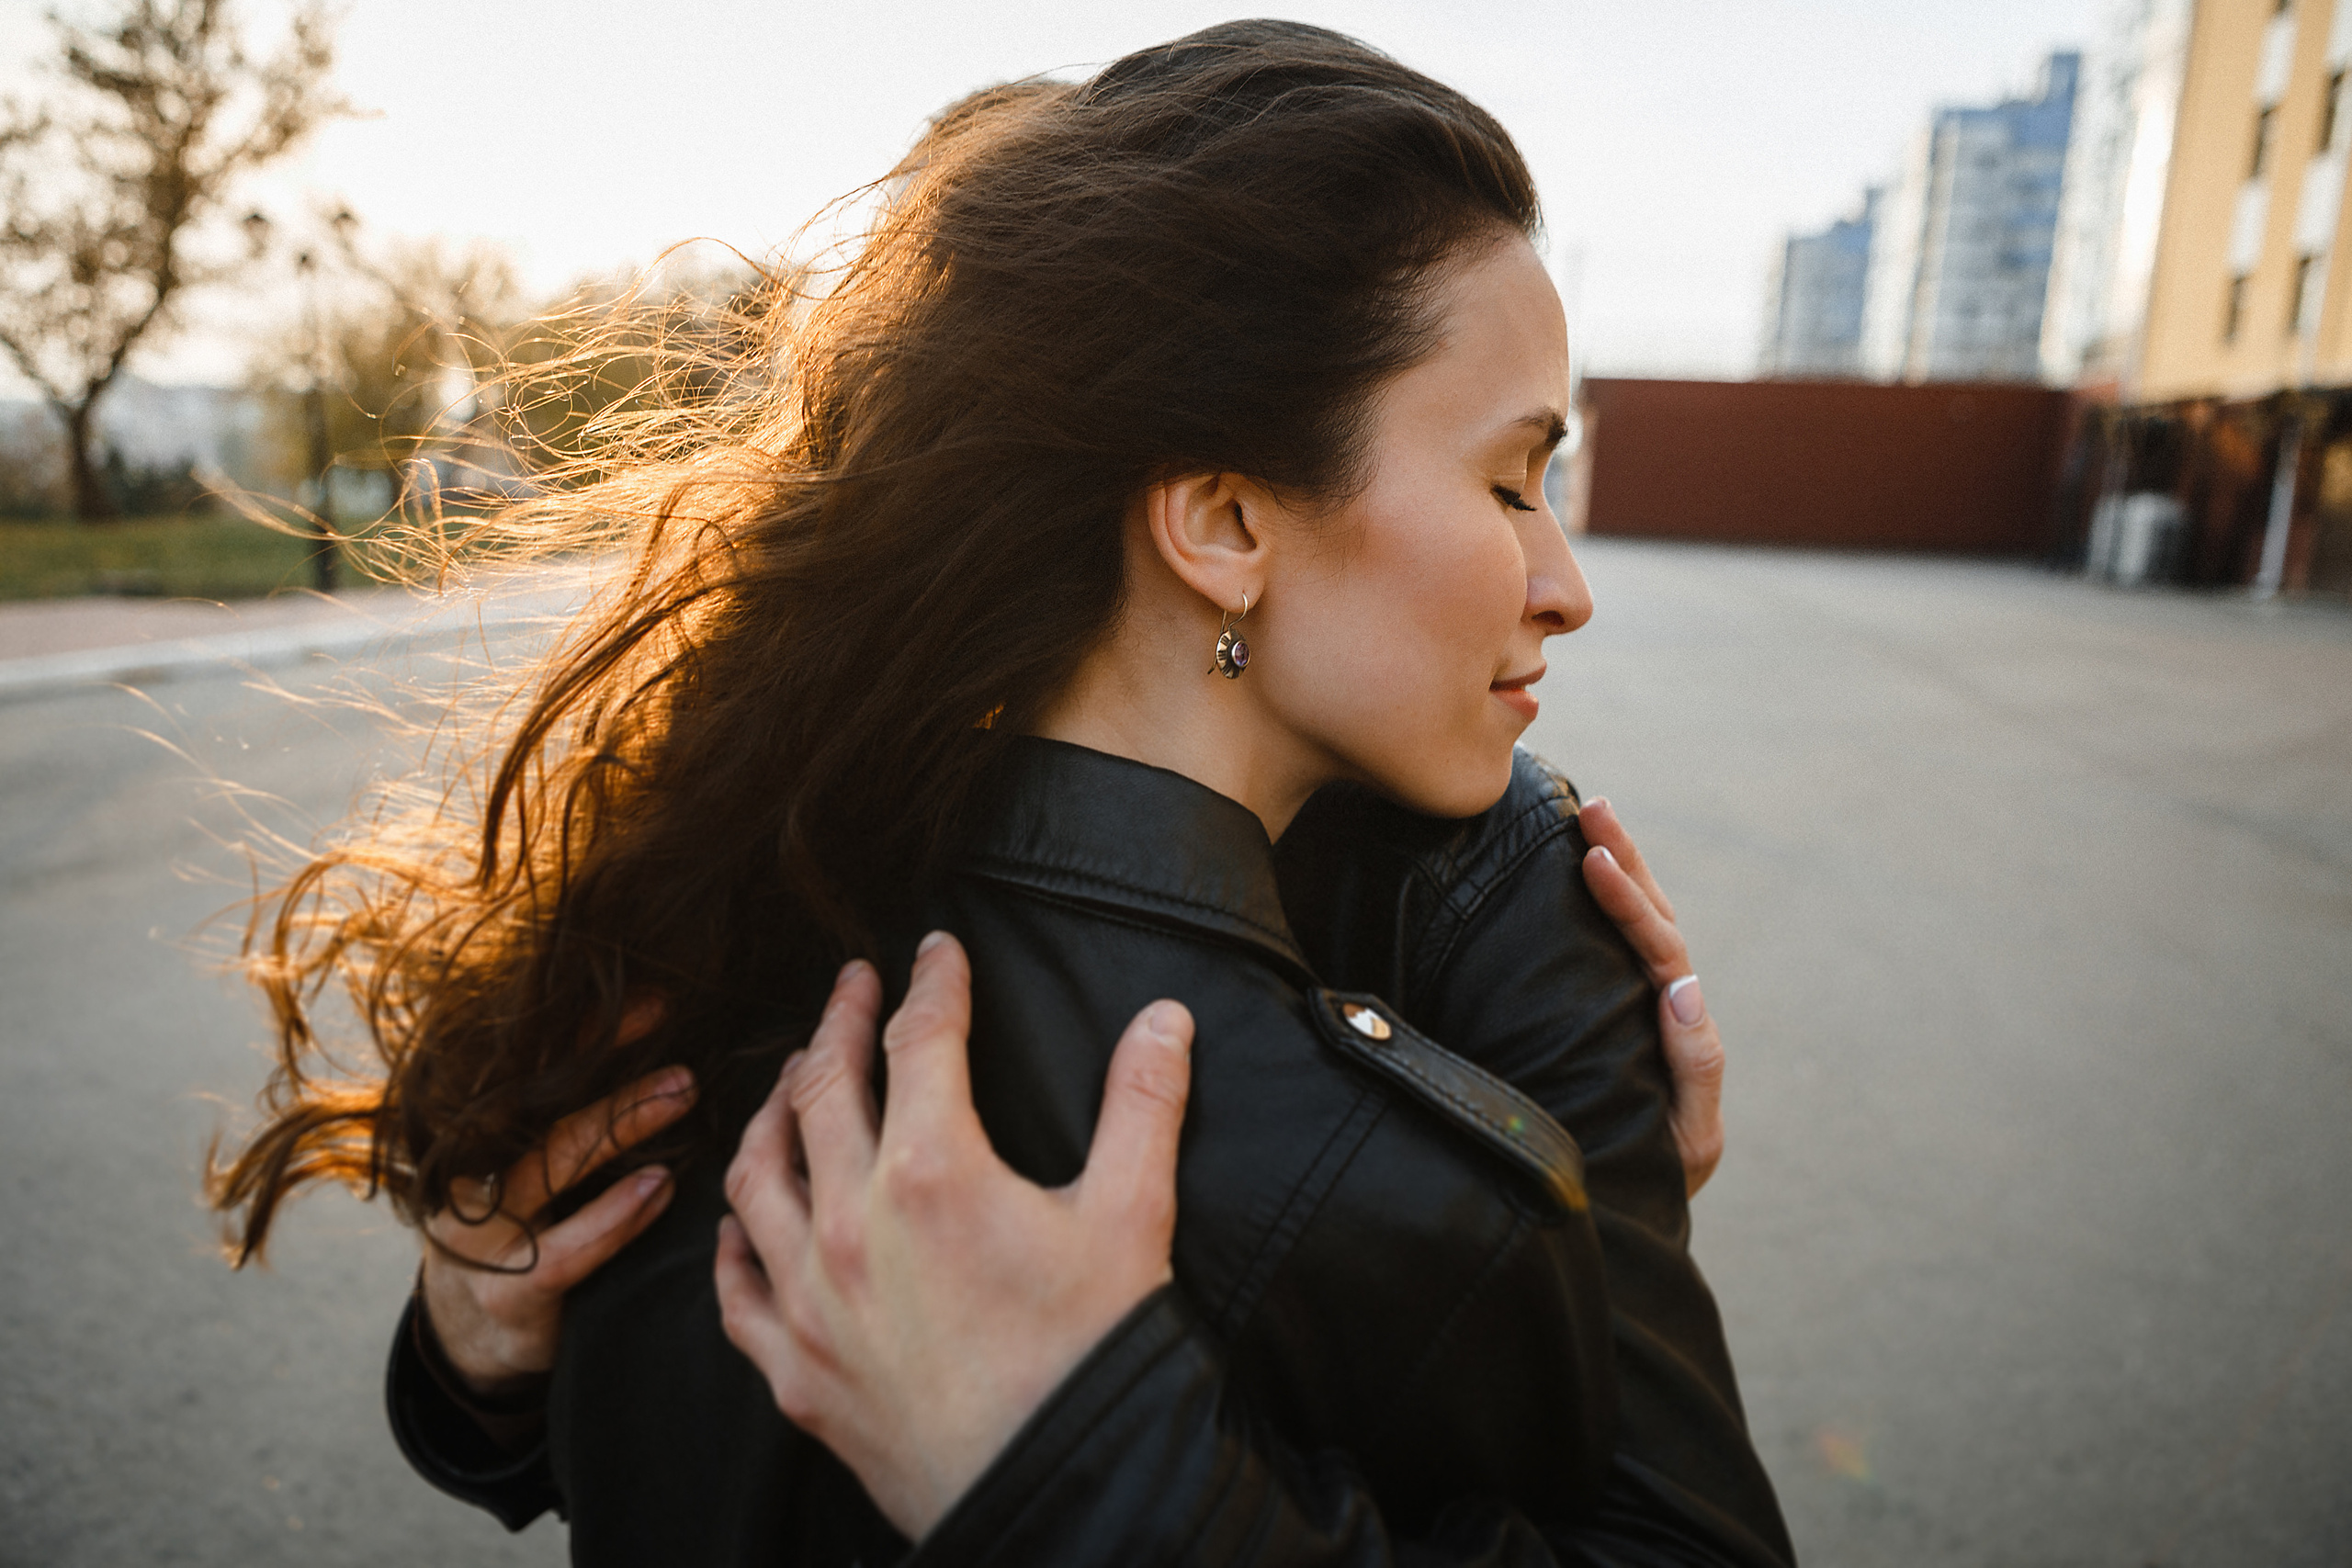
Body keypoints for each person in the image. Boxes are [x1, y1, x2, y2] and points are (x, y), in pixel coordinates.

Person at [210, 20, 1791, 1566]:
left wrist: (1582, 1205)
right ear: (1225, 518)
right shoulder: (773, 883)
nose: (1565, 583)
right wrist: (477, 1356)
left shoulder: (1499, 910)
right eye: (1511, 481)